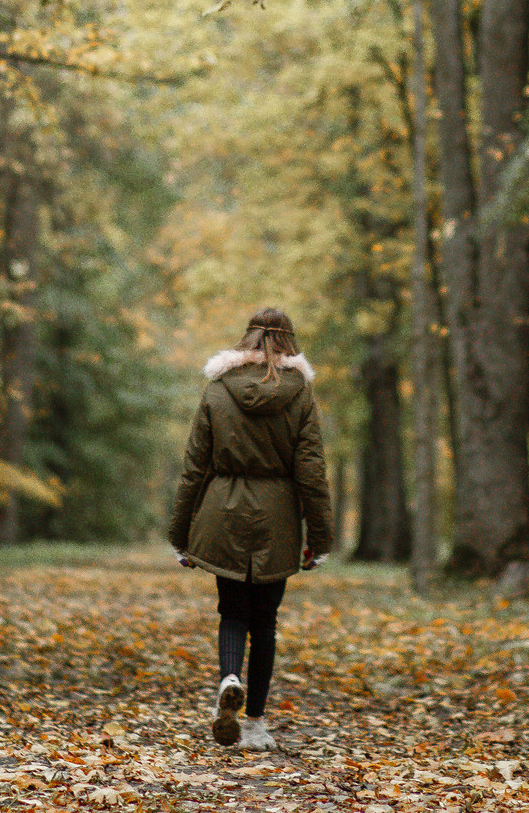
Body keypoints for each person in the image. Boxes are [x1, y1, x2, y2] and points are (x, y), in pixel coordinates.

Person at [166, 306, 334, 749]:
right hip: (277, 518)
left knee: (232, 611)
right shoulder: (300, 395)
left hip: (222, 513)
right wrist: (320, 539)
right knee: (265, 622)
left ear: (248, 337)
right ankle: (255, 724)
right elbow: (312, 472)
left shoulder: (218, 390)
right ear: (289, 342)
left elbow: (195, 466)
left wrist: (180, 534)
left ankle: (228, 678)